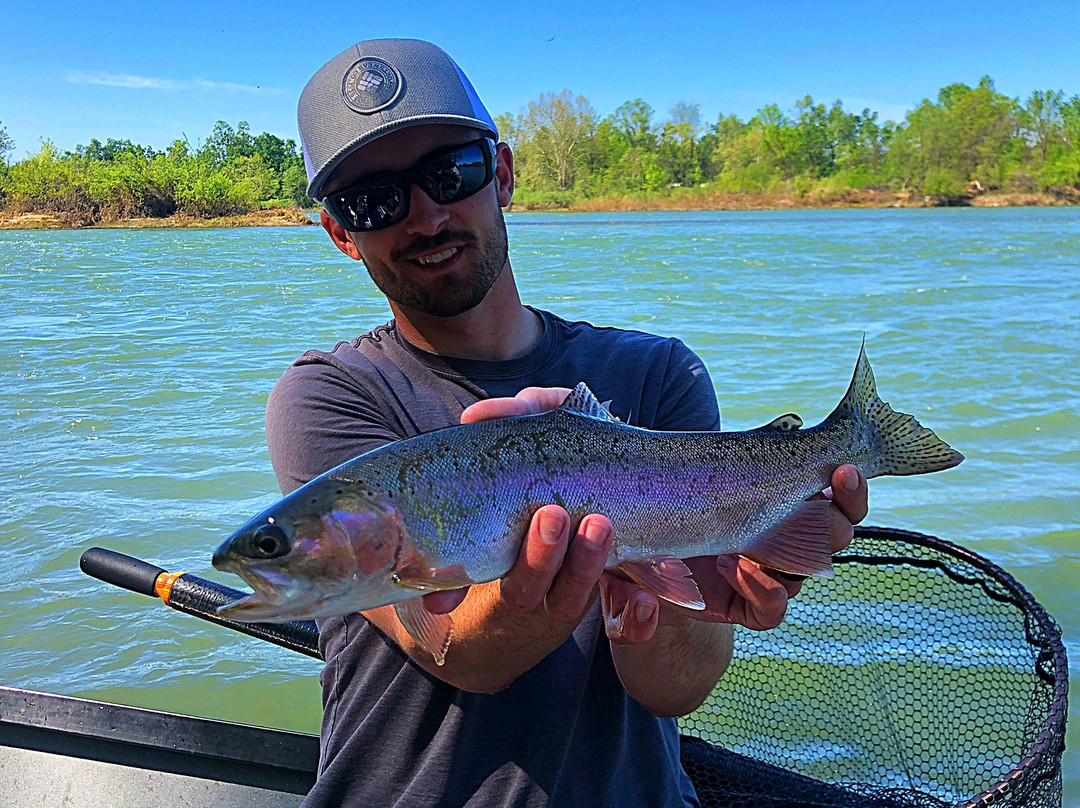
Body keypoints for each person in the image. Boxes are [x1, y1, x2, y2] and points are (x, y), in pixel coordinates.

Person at [268, 38, 868, 808]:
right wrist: (567, 571)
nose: (424, 215)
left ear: (504, 175)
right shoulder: (328, 396)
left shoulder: (659, 374)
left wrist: (675, 598)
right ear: (341, 233)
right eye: (374, 201)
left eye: (451, 172)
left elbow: (676, 688)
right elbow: (453, 647)